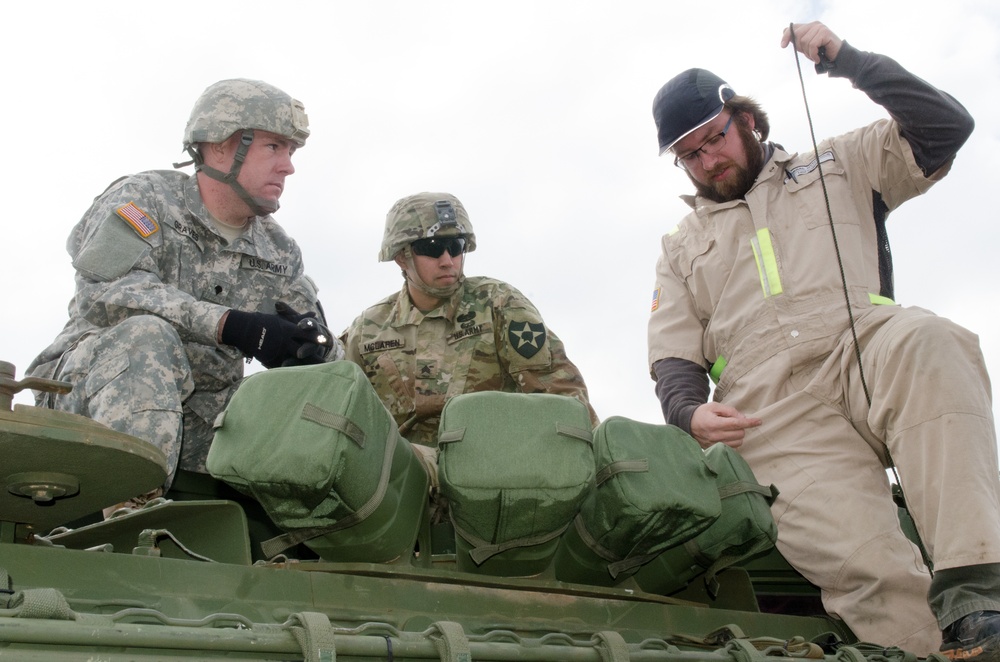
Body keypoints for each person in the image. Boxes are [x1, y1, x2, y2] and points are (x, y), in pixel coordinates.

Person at [646, 21, 1000, 659]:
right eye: (689, 154)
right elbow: (672, 353)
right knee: (869, 569)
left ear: (746, 119)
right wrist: (688, 411)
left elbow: (946, 127)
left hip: (862, 344)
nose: (708, 161)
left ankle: (977, 595)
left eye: (714, 139)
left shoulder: (839, 162)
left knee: (930, 338)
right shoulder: (680, 249)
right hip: (773, 411)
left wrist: (848, 60)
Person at [27, 78, 343, 512]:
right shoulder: (144, 199)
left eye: (291, 151)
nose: (288, 166)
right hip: (93, 397)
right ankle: (130, 517)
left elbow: (318, 339)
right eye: (273, 147)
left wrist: (313, 349)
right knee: (146, 336)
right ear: (218, 147)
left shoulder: (279, 249)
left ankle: (323, 545)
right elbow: (106, 292)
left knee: (316, 396)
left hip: (198, 424)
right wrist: (231, 325)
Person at [342, 191, 598, 451]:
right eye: (431, 247)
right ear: (401, 256)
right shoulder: (367, 330)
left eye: (455, 247)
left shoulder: (498, 304)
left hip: (489, 464)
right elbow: (342, 408)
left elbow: (560, 395)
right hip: (402, 477)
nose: (447, 261)